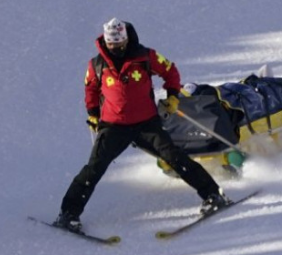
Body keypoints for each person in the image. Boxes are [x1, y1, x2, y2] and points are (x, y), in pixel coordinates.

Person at [54, 18, 229, 232]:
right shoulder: (96, 64)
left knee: (174, 157)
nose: (115, 47)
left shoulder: (145, 56)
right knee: (94, 168)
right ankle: (69, 214)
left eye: (118, 43)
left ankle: (213, 195)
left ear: (126, 39)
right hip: (113, 126)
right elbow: (90, 90)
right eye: (111, 43)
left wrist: (172, 95)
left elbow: (170, 71)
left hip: (146, 123)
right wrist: (92, 114)